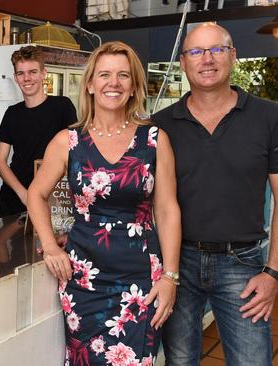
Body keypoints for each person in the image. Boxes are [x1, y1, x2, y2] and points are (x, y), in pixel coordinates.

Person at [27, 41, 181, 365]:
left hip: (142, 279)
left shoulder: (154, 139)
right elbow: (36, 194)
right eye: (105, 74)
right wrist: (50, 246)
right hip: (84, 278)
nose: (114, 82)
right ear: (90, 84)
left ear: (134, 85)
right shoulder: (67, 141)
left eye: (123, 75)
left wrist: (170, 277)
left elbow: (167, 210)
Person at [154, 22, 278, 366]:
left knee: (253, 361)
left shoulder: (269, 116)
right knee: (178, 361)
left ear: (233, 56)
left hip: (243, 264)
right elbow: (139, 198)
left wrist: (273, 274)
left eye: (216, 50)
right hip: (176, 264)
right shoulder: (159, 124)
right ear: (182, 63)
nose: (206, 59)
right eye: (195, 51)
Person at [0, 45, 77, 218]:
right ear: (15, 78)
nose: (27, 78)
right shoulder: (12, 113)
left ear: (43, 73)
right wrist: (24, 194)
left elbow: (76, 152)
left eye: (32, 72)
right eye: (21, 73)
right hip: (15, 197)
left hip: (53, 197)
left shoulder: (62, 106)